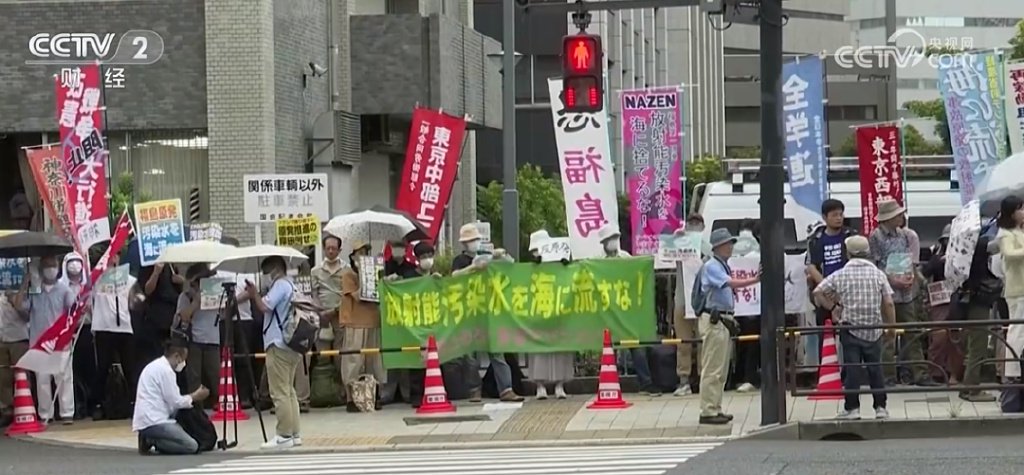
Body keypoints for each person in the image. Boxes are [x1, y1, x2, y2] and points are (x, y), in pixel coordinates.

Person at [813, 236, 894, 420]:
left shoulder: (841, 274)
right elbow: (888, 303)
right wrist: (891, 327)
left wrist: (833, 307)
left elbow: (817, 291)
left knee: (852, 369)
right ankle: (880, 408)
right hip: (874, 328)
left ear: (848, 253)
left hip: (850, 327)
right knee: (876, 369)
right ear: (867, 253)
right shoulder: (878, 274)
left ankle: (852, 409)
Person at [449, 224, 524, 403]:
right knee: (471, 354)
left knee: (497, 350)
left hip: (490, 311)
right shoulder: (460, 261)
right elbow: (454, 277)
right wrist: (473, 268)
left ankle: (506, 388)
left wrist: (500, 255)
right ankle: (474, 389)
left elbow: (511, 265)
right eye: (469, 241)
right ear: (464, 244)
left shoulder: (488, 257)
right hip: (469, 311)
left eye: (474, 240)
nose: (472, 244)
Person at [696, 229, 759, 424]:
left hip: (722, 320)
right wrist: (755, 280)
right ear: (717, 247)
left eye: (731, 243)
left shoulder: (722, 265)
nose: (730, 246)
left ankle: (715, 407)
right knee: (713, 368)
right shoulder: (712, 266)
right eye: (727, 243)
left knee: (720, 368)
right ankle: (708, 410)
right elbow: (729, 284)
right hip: (715, 319)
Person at [869, 198, 934, 387]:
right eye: (897, 215)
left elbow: (911, 260)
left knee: (912, 331)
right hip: (887, 291)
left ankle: (920, 373)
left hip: (907, 291)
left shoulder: (905, 235)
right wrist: (892, 279)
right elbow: (875, 264)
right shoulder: (875, 237)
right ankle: (887, 376)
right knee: (888, 334)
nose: (901, 217)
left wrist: (911, 277)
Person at [597, 225, 661, 396]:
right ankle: (608, 384)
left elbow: (636, 277)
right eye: (610, 239)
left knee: (636, 347)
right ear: (603, 242)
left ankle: (645, 384)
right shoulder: (597, 262)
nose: (613, 242)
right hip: (608, 311)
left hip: (627, 311)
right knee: (608, 349)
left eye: (615, 238)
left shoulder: (626, 258)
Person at [13, 255, 76, 424]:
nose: (50, 269)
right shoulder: (35, 290)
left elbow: (74, 311)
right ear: (41, 269)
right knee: (42, 381)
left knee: (63, 378)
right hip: (39, 342)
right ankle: (45, 414)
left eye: (53, 265)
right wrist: (25, 284)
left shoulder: (64, 290)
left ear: (58, 268)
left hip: (60, 342)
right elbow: (20, 306)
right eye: (47, 265)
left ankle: (67, 413)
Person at [246, 256, 301, 449]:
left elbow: (264, 306)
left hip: (278, 343)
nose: (265, 276)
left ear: (276, 269)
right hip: (292, 345)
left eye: (266, 272)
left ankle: (284, 434)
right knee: (289, 391)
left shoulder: (280, 285)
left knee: (279, 392)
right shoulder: (292, 285)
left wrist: (254, 294)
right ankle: (294, 433)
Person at [134, 341, 210, 455]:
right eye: (183, 359)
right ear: (176, 356)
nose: (183, 363)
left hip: (146, 418)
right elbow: (176, 402)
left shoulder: (154, 366)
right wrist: (195, 396)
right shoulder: (166, 371)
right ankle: (153, 440)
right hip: (156, 421)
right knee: (191, 446)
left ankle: (150, 437)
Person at [524, 230, 574, 400]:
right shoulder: (530, 269)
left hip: (559, 311)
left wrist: (564, 265)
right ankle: (540, 386)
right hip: (539, 313)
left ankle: (560, 385)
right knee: (538, 351)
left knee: (561, 349)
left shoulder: (562, 265)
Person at [339, 240, 386, 411]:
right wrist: (365, 275)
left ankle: (374, 395)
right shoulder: (348, 275)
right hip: (355, 322)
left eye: (365, 252)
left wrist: (376, 272)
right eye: (358, 253)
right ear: (352, 257)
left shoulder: (376, 271)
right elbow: (359, 296)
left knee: (374, 361)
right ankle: (351, 398)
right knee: (353, 361)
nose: (362, 256)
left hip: (373, 319)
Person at [91, 252, 139, 419]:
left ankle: (134, 403)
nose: (113, 260)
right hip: (104, 326)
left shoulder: (128, 278)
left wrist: (136, 299)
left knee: (130, 368)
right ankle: (98, 404)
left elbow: (133, 301)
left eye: (116, 256)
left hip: (124, 327)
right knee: (102, 367)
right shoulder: (97, 278)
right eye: (110, 256)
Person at [921, 224, 963, 383]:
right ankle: (936, 372)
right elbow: (926, 272)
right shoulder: (937, 254)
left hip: (959, 298)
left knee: (956, 338)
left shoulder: (966, 255)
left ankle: (954, 374)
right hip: (940, 299)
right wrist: (940, 261)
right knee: (938, 337)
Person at [673, 217, 706, 397]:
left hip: (702, 302)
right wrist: (677, 237)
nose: (695, 229)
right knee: (683, 342)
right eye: (691, 226)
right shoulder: (679, 243)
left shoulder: (707, 245)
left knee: (703, 341)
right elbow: (664, 253)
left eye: (697, 226)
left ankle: (703, 380)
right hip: (682, 300)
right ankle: (683, 381)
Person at [311, 234, 344, 386]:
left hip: (341, 315)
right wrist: (320, 311)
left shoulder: (347, 270)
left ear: (339, 250)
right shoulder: (315, 271)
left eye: (334, 248)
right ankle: (324, 389)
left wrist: (335, 310)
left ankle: (341, 389)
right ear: (324, 249)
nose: (331, 251)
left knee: (341, 355)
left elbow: (348, 294)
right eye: (328, 248)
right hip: (322, 317)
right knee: (323, 355)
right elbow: (313, 293)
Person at [997, 196, 1024, 381]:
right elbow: (1009, 253)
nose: (1023, 212)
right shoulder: (1005, 233)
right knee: (1017, 329)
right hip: (1017, 289)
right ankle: (1013, 371)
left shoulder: (1019, 231)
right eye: (1020, 209)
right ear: (1011, 212)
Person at [138, 261, 185, 365]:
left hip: (173, 317)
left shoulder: (172, 264)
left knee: (174, 356)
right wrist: (156, 272)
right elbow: (147, 290)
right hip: (156, 317)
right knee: (156, 357)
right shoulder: (148, 264)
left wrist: (181, 281)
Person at [0, 289, 29, 428]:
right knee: (3, 377)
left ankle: (26, 407)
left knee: (22, 376)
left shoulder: (22, 290)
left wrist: (15, 302)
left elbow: (28, 316)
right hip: (2, 339)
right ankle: (7, 410)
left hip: (19, 338)